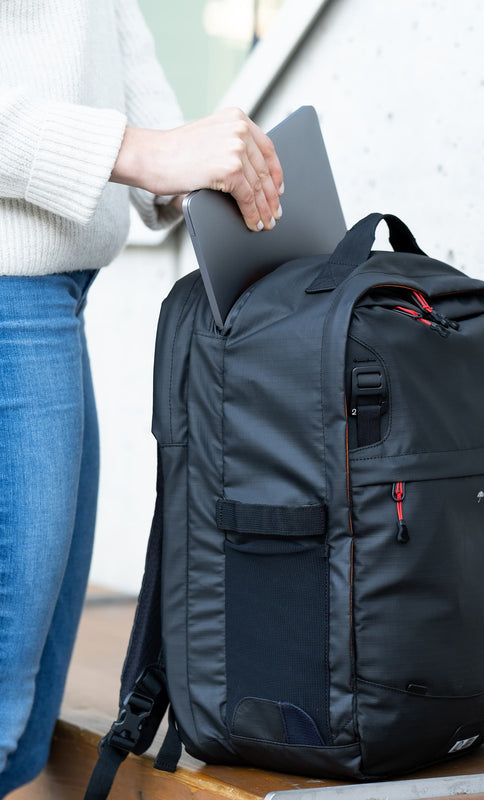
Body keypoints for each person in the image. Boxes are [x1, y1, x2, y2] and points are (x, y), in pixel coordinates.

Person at [0, 1, 283, 795]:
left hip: (52, 298)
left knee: (21, 722)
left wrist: (197, 163)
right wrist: (142, 152)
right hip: (10, 301)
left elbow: (109, 26)